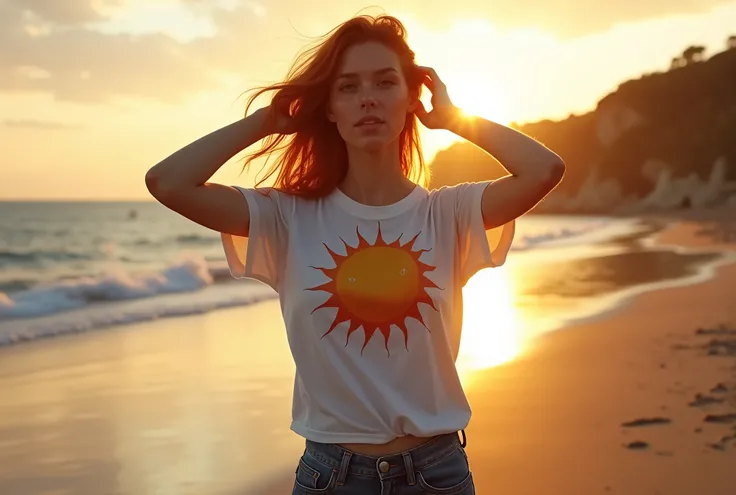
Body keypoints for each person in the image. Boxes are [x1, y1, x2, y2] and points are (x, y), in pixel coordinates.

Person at [145, 14, 564, 495]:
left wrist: (452, 119)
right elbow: (167, 182)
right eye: (347, 87)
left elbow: (544, 169)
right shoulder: (287, 217)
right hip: (331, 477)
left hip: (437, 473)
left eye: (385, 82)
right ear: (328, 108)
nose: (367, 97)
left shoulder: (446, 213)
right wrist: (269, 121)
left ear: (410, 99)